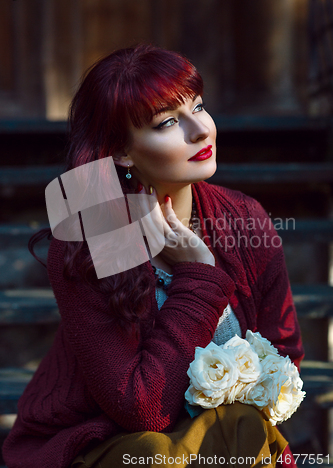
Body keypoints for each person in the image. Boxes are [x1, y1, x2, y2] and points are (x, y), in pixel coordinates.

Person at [2, 44, 304, 468]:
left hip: (219, 439)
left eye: (198, 107)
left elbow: (281, 354)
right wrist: (198, 275)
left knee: (244, 428)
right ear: (122, 152)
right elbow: (141, 408)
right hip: (113, 443)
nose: (200, 131)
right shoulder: (90, 243)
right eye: (167, 123)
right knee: (156, 453)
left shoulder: (244, 220)